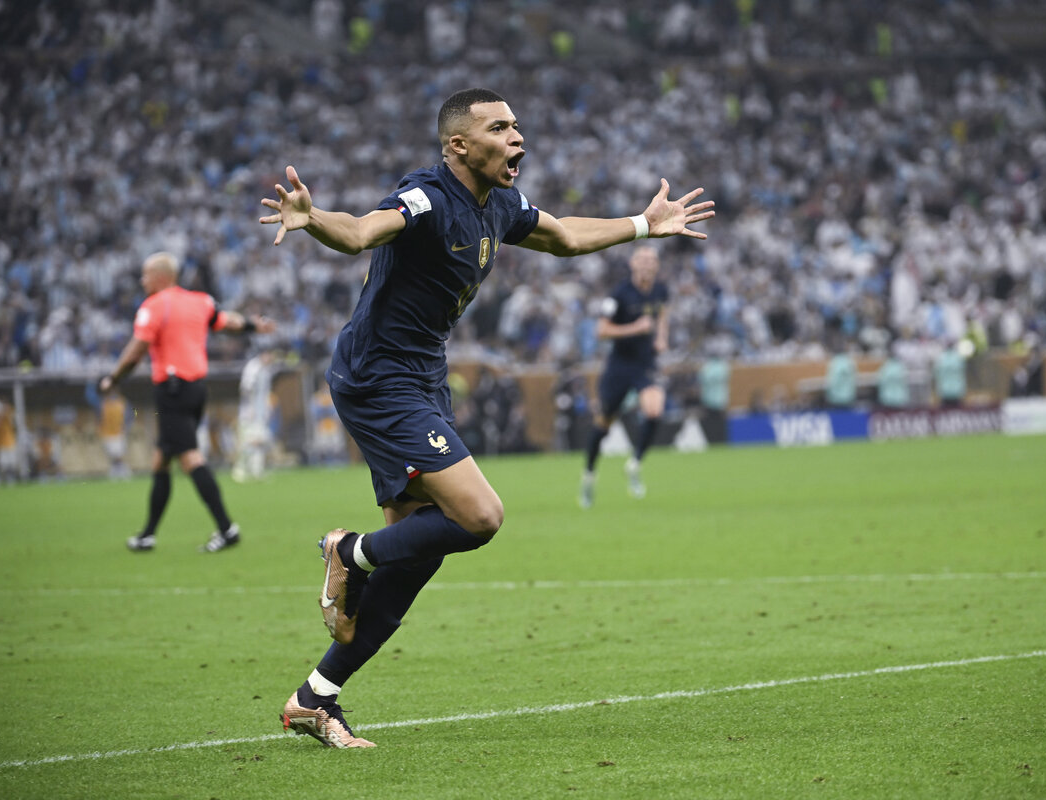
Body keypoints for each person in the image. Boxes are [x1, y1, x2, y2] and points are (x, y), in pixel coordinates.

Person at [259, 87, 713, 748]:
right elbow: (359, 232)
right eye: (499, 128)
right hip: (379, 377)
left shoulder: (500, 202)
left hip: (422, 377)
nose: (516, 137)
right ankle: (347, 551)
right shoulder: (426, 197)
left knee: (417, 553)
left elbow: (563, 236)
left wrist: (643, 225)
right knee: (479, 516)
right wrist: (313, 217)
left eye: (516, 126)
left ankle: (315, 698)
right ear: (458, 146)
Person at [98, 252, 276, 552]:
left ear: (161, 277)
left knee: (190, 457)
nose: (142, 280)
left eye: (146, 275)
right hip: (195, 389)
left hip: (172, 389)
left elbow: (136, 350)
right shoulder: (200, 301)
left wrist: (113, 378)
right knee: (161, 460)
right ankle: (147, 535)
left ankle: (227, 529)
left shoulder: (154, 306)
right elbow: (226, 321)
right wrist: (252, 325)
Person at [579, 246, 670, 508]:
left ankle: (634, 464)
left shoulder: (660, 290)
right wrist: (635, 328)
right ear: (633, 264)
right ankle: (589, 475)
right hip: (619, 366)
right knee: (603, 425)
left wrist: (662, 338)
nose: (647, 264)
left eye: (651, 260)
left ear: (657, 266)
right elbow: (601, 331)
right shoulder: (618, 295)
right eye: (642, 259)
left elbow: (663, 315)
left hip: (645, 364)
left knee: (654, 410)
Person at [232, 348, 278, 482]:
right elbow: (246, 389)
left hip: (261, 413)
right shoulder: (253, 367)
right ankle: (239, 469)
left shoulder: (267, 370)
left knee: (260, 441)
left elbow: (266, 392)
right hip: (250, 412)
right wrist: (250, 408)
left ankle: (257, 470)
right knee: (249, 441)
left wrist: (267, 408)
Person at [934, 339, 967, 408]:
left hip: (948, 390)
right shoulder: (958, 357)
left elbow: (936, 373)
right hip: (953, 390)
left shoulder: (941, 357)